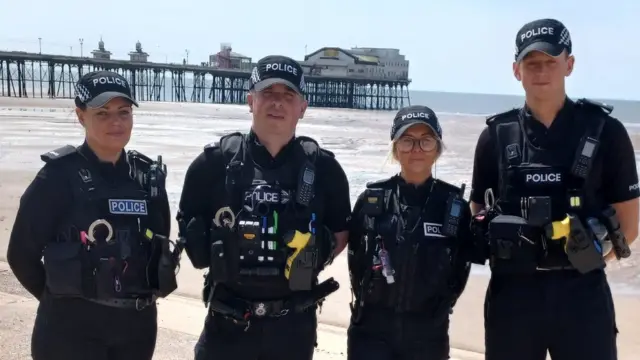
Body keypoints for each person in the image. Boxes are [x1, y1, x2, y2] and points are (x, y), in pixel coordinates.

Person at [470, 19, 639, 360]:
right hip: (512, 297)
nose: (541, 71)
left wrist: (586, 257)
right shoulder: (496, 136)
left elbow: (630, 223)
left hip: (582, 295)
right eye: (532, 63)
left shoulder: (606, 131)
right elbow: (480, 211)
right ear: (517, 70)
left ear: (569, 64)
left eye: (551, 61)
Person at [177, 55, 351, 360]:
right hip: (226, 326)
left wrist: (306, 259)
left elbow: (340, 234)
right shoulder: (214, 164)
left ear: (303, 108)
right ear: (250, 100)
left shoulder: (325, 169)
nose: (277, 103)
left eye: (288, 95)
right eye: (268, 93)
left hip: (293, 329)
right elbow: (190, 231)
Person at [6, 71, 180, 360]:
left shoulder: (146, 177)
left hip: (135, 331)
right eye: (102, 113)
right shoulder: (58, 177)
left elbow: (159, 240)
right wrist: (61, 300)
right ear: (80, 115)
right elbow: (21, 256)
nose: (116, 122)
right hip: (70, 333)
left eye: (124, 112)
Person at [347, 105, 472, 360]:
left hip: (428, 334)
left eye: (425, 141)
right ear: (395, 147)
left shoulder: (453, 205)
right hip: (371, 332)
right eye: (407, 141)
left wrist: (442, 307)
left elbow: (462, 266)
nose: (416, 149)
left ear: (437, 148)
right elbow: (355, 261)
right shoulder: (371, 200)